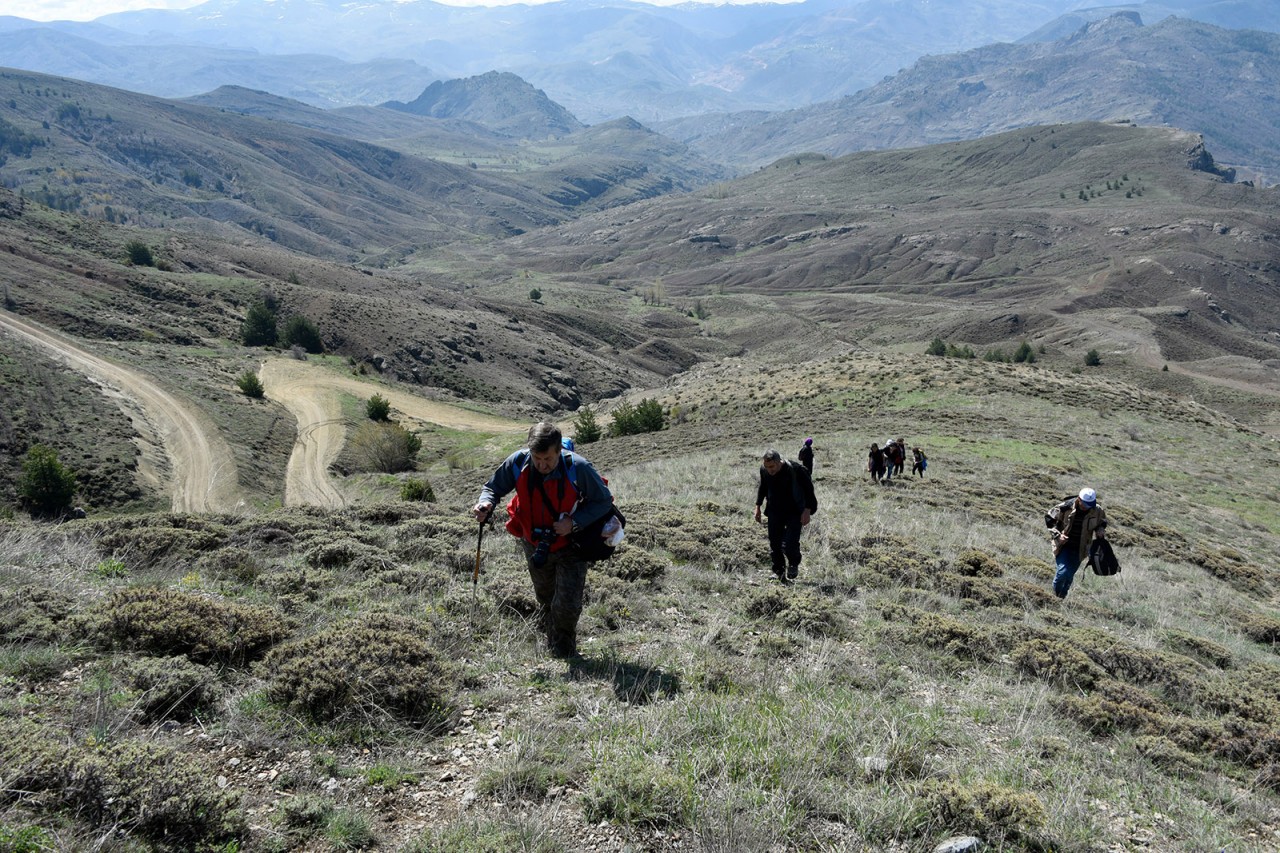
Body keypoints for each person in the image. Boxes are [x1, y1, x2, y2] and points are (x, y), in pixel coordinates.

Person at [474, 422, 613, 658]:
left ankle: (564, 650)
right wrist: (485, 502)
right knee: (545, 596)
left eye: (548, 458)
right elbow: (493, 488)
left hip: (571, 545)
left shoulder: (577, 467)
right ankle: (551, 633)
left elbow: (604, 501)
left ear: (559, 450)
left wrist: (574, 522)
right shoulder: (518, 462)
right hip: (534, 542)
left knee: (567, 603)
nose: (542, 465)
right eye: (537, 458)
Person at [754, 449, 818, 582]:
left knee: (790, 543)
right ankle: (779, 572)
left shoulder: (796, 470)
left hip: (794, 512)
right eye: (767, 467)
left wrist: (807, 510)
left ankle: (794, 563)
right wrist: (758, 506)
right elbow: (763, 487)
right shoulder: (764, 470)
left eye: (772, 466)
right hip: (774, 511)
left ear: (779, 462)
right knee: (775, 543)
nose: (769, 470)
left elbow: (809, 491)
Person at [1044, 487, 1108, 600]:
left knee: (1069, 576)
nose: (1088, 507)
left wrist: (1100, 529)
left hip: (1081, 548)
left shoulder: (1097, 510)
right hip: (1063, 545)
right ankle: (1055, 596)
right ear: (1079, 499)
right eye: (1085, 504)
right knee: (1062, 573)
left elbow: (1102, 521)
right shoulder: (1064, 507)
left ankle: (1062, 597)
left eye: (1090, 504)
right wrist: (1058, 535)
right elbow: (1049, 518)